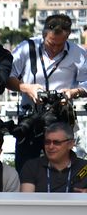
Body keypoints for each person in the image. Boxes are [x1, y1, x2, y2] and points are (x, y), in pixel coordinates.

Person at [7, 14, 87, 173]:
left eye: (60, 44)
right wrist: (27, 88)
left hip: (60, 118)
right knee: (26, 169)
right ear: (43, 34)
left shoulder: (77, 53)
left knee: (61, 170)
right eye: (51, 43)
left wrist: (73, 92)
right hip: (30, 117)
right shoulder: (26, 48)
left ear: (68, 35)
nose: (55, 48)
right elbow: (7, 77)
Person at [20, 122, 87, 193]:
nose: (51, 147)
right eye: (47, 142)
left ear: (70, 144)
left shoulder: (84, 167)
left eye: (57, 143)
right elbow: (27, 200)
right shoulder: (32, 166)